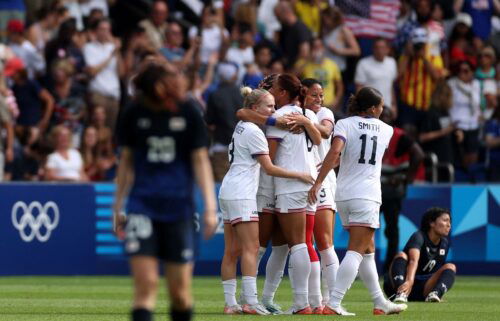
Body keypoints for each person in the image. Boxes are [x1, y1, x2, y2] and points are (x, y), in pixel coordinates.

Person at [112, 62, 217, 321]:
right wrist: (117, 206)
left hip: (179, 208)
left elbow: (200, 160)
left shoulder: (189, 112)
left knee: (180, 292)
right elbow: (126, 162)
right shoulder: (133, 113)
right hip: (142, 206)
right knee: (146, 285)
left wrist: (210, 208)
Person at [308, 87, 407, 315]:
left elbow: (334, 154)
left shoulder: (344, 124)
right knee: (356, 250)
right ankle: (333, 303)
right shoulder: (387, 129)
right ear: (373, 108)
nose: (383, 110)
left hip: (343, 193)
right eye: (381, 106)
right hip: (367, 194)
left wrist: (318, 182)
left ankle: (379, 301)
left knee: (368, 249)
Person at [219, 87, 313, 315]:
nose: (273, 110)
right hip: (242, 192)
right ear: (255, 108)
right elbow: (269, 168)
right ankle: (250, 301)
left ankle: (231, 303)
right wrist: (300, 174)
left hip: (227, 190)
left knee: (231, 251)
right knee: (251, 247)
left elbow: (243, 114)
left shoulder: (241, 126)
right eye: (269, 106)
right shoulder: (254, 132)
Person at [266, 73, 321, 314]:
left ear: (282, 93)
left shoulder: (281, 116)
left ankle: (301, 304)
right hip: (310, 183)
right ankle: (310, 301)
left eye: (275, 89)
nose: (272, 92)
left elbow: (269, 155)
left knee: (297, 244)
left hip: (291, 184)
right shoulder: (308, 115)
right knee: (306, 243)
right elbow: (319, 140)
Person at [294, 78, 339, 313]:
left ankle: (332, 300)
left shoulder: (324, 113)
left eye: (321, 95)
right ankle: (315, 301)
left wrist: (305, 121)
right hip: (302, 182)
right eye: (314, 95)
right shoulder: (295, 113)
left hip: (323, 182)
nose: (318, 99)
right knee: (304, 243)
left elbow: (326, 131)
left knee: (323, 241)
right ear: (302, 95)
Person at [380, 107, 424, 272]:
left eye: (387, 116)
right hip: (376, 188)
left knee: (391, 229)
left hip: (390, 189)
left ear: (392, 119)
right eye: (382, 115)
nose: (384, 118)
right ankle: (366, 267)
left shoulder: (399, 135)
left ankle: (389, 266)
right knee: (382, 229)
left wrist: (407, 178)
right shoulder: (377, 132)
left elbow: (418, 154)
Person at [384, 207, 456, 303]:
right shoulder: (419, 236)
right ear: (432, 223)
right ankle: (400, 293)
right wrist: (409, 281)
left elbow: (435, 272)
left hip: (422, 288)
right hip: (403, 281)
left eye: (450, 222)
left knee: (450, 266)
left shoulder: (444, 243)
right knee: (401, 255)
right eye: (445, 220)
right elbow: (413, 260)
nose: (449, 225)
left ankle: (435, 294)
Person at [83, 18, 124, 132]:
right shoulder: (89, 47)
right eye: (102, 29)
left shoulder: (113, 48)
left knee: (108, 132)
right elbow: (92, 71)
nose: (105, 32)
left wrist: (118, 52)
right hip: (98, 93)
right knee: (95, 130)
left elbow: (121, 73)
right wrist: (111, 56)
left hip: (114, 95)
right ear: (96, 31)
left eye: (107, 29)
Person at [296, 38, 343, 110]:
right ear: (311, 49)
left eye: (320, 47)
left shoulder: (332, 64)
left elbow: (340, 86)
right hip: (309, 105)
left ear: (323, 48)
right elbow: (293, 76)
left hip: (328, 105)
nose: (318, 50)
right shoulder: (303, 63)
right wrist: (308, 59)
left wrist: (336, 101)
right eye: (315, 47)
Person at [355, 38, 398, 116]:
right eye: (377, 47)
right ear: (373, 49)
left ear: (388, 49)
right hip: (370, 108)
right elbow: (359, 88)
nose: (379, 50)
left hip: (386, 108)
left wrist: (394, 105)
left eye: (382, 48)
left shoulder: (392, 62)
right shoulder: (363, 63)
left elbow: (390, 86)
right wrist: (361, 108)